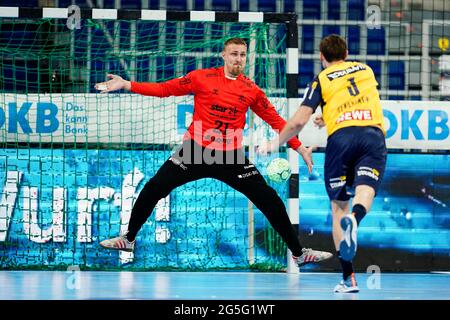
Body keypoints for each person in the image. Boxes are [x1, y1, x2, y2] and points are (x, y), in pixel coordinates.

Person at [96, 37, 332, 268]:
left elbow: (276, 121)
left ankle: (299, 254)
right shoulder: (202, 78)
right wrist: (128, 85)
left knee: (269, 199)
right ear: (224, 55)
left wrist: (299, 147)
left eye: (242, 55)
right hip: (195, 151)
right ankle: (128, 239)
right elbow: (165, 89)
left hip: (230, 156)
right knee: (155, 187)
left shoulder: (251, 90)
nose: (238, 59)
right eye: (234, 54)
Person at [258, 34, 387, 292]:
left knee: (339, 206)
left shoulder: (322, 79)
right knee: (365, 189)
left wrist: (275, 143)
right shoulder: (366, 70)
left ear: (321, 57)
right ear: (347, 53)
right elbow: (357, 101)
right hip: (372, 135)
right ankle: (356, 217)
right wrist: (328, 115)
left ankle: (348, 278)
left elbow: (298, 121)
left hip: (341, 141)